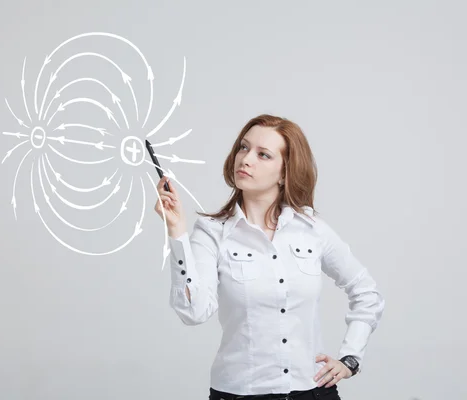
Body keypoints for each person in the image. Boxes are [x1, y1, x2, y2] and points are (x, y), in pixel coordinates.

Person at [154, 114, 385, 400]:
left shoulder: (311, 230)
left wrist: (351, 358)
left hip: (312, 392)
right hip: (240, 394)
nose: (246, 159)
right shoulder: (213, 232)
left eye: (263, 154)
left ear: (285, 172)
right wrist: (177, 232)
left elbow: (366, 292)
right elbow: (194, 312)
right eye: (243, 147)